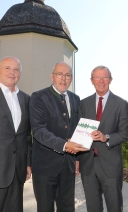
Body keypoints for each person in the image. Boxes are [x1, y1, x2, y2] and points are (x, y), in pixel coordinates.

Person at [29, 62, 88, 212]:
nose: (64, 78)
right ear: (52, 76)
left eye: (68, 75)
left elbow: (76, 130)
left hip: (68, 166)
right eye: (60, 74)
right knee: (45, 208)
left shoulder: (75, 99)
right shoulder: (38, 97)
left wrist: (77, 159)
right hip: (44, 166)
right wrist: (65, 145)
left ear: (71, 78)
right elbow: (39, 131)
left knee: (67, 208)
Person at [78, 65, 128, 212]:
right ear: (91, 80)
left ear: (110, 80)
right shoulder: (83, 104)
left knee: (114, 206)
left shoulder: (121, 104)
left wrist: (106, 137)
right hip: (87, 164)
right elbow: (79, 132)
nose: (101, 81)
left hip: (111, 165)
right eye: (97, 77)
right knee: (92, 207)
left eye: (105, 77)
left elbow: (124, 133)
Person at [0, 56, 32, 212]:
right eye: (7, 68)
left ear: (20, 74)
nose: (12, 72)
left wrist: (28, 162)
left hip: (18, 169)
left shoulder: (26, 99)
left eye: (16, 69)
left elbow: (26, 136)